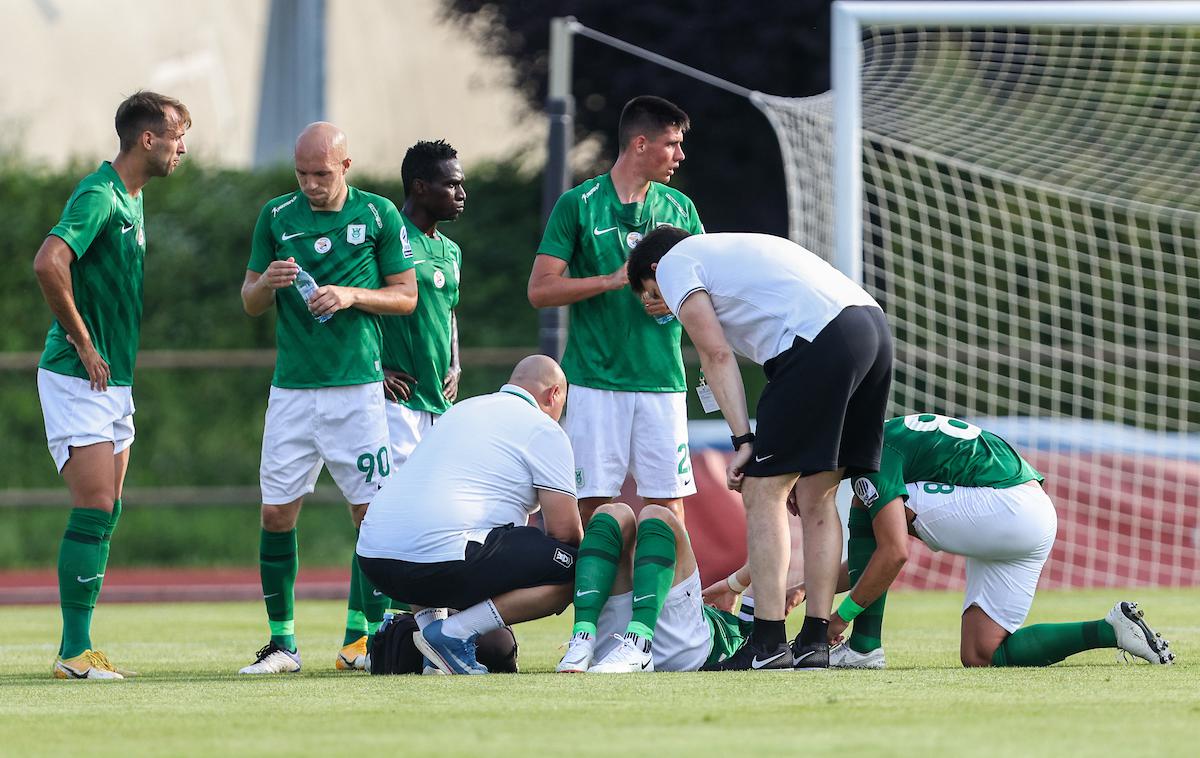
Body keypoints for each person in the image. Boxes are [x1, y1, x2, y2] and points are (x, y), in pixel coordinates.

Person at [628, 227, 893, 670]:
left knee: (761, 491)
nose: (659, 304)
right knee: (817, 495)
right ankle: (814, 641)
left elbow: (715, 356)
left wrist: (743, 441)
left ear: (654, 269)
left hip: (820, 340)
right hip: (872, 329)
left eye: (652, 294)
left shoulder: (674, 263)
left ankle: (767, 641)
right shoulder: (727, 253)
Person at [238, 122, 417, 675]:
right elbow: (249, 301)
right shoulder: (275, 216)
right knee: (275, 513)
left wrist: (350, 295)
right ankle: (282, 644)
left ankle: (364, 638)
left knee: (371, 516)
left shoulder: (379, 215)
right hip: (292, 389)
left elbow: (406, 297)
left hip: (355, 390)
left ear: (345, 166)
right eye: (302, 174)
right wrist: (267, 282)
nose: (310, 185)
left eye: (320, 174)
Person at [33, 91, 190, 680]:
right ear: (146, 139)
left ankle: (82, 648)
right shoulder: (99, 194)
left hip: (113, 380)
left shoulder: (132, 199)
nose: (183, 147)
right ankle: (74, 652)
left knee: (109, 508)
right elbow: (49, 261)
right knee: (95, 504)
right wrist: (82, 341)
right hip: (79, 375)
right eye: (177, 135)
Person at [820, 413, 1174, 668]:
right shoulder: (893, 434)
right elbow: (874, 560)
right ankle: (1112, 629)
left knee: (866, 502)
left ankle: (865, 648)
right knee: (982, 653)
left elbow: (893, 552)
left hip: (1006, 507)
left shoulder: (876, 457)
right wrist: (809, 587)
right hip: (1031, 515)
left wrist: (839, 617)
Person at [528, 96, 704, 527]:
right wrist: (609, 280)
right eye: (672, 144)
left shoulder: (680, 210)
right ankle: (602, 598)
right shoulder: (579, 204)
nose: (680, 155)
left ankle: (670, 599)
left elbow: (711, 286)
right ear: (640, 143)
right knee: (593, 507)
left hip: (662, 381)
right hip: (594, 382)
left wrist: (680, 300)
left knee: (668, 510)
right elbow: (539, 290)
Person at [356, 355, 583, 675]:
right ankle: (452, 635)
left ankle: (432, 652)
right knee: (576, 566)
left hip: (373, 556)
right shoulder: (543, 428)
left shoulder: (461, 409)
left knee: (432, 539)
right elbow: (565, 533)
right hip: (443, 556)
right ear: (554, 394)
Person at [365, 139, 466, 660]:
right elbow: (358, 306)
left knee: (436, 511)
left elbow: (448, 315)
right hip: (395, 403)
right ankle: (370, 630)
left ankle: (427, 621)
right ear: (419, 187)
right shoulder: (386, 235)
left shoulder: (450, 250)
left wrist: (456, 365)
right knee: (386, 512)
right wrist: (374, 367)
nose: (461, 192)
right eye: (451, 183)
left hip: (437, 404)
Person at [555, 503, 753, 674]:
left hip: (678, 646)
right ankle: (585, 638)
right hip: (626, 646)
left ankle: (588, 639)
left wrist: (734, 584)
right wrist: (733, 587)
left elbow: (774, 553)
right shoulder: (761, 620)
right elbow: (773, 554)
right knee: (611, 513)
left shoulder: (755, 630)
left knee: (658, 516)